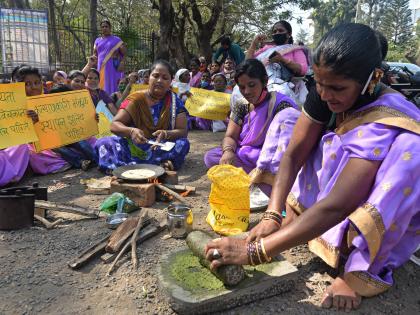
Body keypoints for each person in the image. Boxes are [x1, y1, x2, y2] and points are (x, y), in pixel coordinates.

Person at [204, 23, 420, 312]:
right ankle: (296, 219)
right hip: (342, 188)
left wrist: (255, 251)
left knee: (413, 152)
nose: (325, 94)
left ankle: (360, 268)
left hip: (375, 193)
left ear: (372, 79)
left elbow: (340, 204)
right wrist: (273, 214)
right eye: (319, 84)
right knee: (286, 121)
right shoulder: (325, 90)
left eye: (337, 88)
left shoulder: (389, 114)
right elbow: (293, 155)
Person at [204, 59, 300, 193]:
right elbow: (231, 136)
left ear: (265, 81)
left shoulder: (281, 105)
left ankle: (260, 181)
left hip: (270, 158)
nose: (247, 91)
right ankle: (257, 182)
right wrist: (228, 152)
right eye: (242, 87)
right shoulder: (241, 105)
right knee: (211, 157)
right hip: (245, 156)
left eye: (251, 85)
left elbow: (286, 147)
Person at [95, 60, 190, 172]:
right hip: (134, 145)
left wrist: (166, 133)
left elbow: (183, 131)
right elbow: (114, 125)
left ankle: (125, 167)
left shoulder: (175, 101)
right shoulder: (135, 98)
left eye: (165, 78)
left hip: (159, 146)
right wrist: (131, 131)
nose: (159, 80)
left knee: (183, 144)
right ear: (149, 77)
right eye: (155, 76)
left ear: (171, 81)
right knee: (103, 143)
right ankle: (158, 166)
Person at [15, 66, 71, 175]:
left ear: (42, 83)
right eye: (27, 84)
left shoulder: (49, 100)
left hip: (56, 141)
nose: (34, 87)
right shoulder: (15, 107)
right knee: (32, 154)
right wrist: (30, 123)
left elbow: (63, 122)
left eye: (37, 82)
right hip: (32, 145)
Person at [243, 20, 309, 104]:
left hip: (284, 86)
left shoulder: (295, 50)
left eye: (281, 31)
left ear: (289, 34)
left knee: (279, 95)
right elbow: (247, 63)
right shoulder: (267, 48)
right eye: (274, 31)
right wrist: (254, 43)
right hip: (261, 84)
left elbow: (303, 69)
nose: (277, 33)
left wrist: (282, 60)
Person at [49, 84, 98, 171]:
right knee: (58, 148)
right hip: (58, 140)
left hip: (74, 135)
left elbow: (84, 120)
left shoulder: (74, 109)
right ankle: (81, 162)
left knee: (82, 143)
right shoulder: (47, 111)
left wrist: (93, 118)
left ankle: (96, 159)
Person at [93, 20, 127, 94]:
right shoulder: (97, 40)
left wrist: (122, 62)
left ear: (110, 28)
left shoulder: (117, 39)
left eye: (106, 26)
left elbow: (124, 53)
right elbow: (95, 54)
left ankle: (114, 100)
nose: (104, 28)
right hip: (100, 66)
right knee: (101, 84)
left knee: (112, 83)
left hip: (111, 66)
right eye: (102, 27)